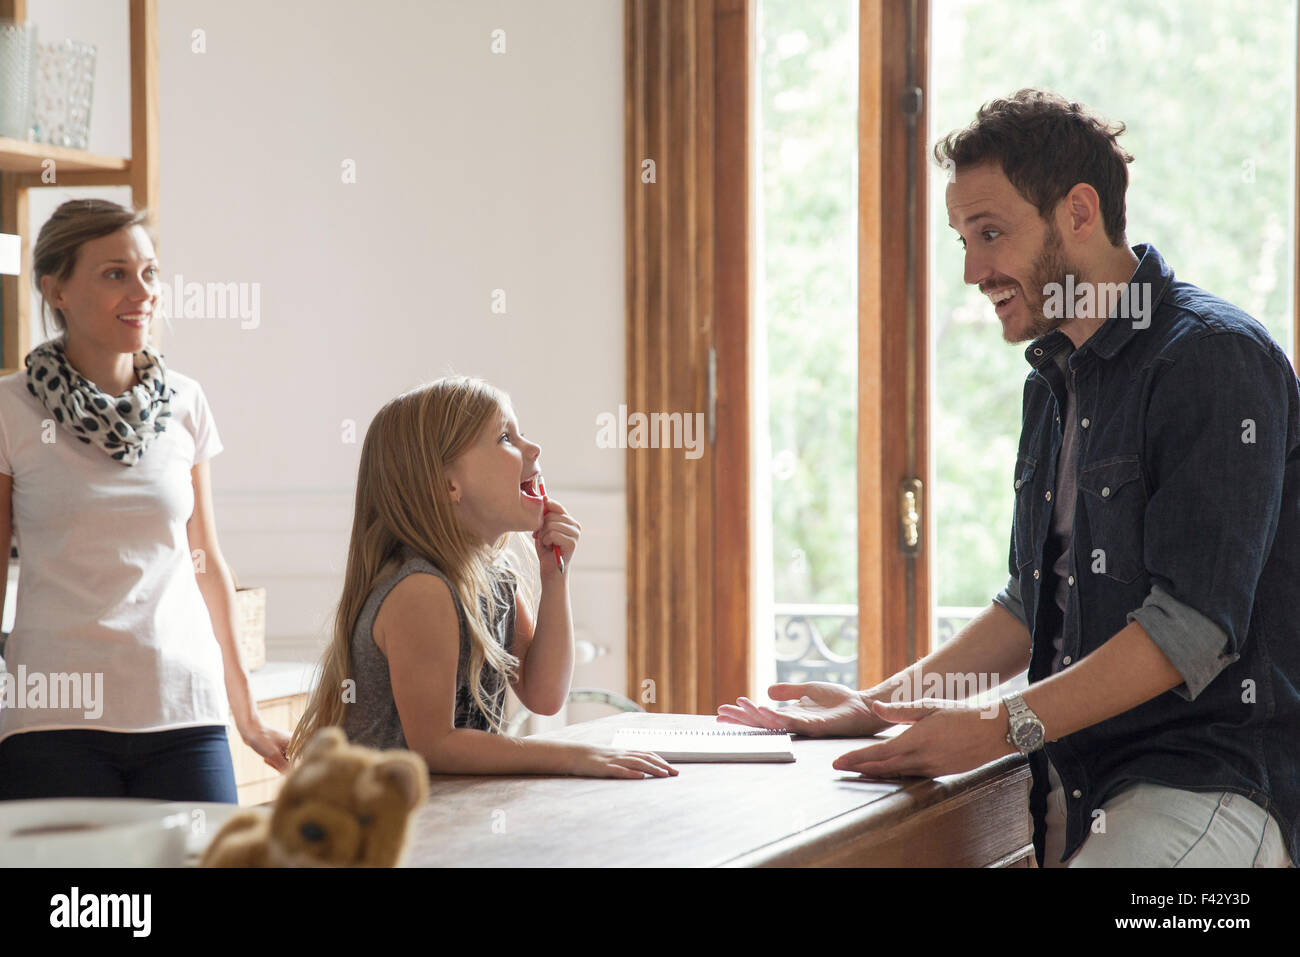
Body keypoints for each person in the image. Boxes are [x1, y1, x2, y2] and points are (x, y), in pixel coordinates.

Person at [720, 89, 1298, 868]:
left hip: (1209, 790)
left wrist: (998, 725)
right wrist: (878, 706)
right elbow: (1033, 606)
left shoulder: (1213, 358)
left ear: (1079, 213)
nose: (971, 270)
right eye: (962, 238)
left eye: (990, 233)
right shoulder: (1052, 382)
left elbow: (1188, 630)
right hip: (1076, 784)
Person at [0, 198, 289, 802]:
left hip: (183, 709)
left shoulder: (186, 402)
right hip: (53, 718)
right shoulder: (11, 407)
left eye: (150, 272)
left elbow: (207, 560)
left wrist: (247, 712)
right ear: (56, 290)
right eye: (115, 274)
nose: (143, 291)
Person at [288, 376, 676, 780]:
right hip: (373, 825)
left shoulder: (496, 578)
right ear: (449, 484)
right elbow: (435, 744)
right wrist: (572, 757)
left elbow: (544, 696)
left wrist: (554, 577)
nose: (533, 447)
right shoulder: (421, 590)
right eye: (506, 437)